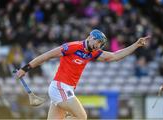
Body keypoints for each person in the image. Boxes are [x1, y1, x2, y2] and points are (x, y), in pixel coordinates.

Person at [16, 29, 150, 119]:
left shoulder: (92, 52)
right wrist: (25, 68)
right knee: (82, 117)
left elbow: (115, 56)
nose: (98, 46)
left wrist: (136, 45)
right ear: (90, 37)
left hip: (66, 90)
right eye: (97, 42)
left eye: (101, 44)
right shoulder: (73, 46)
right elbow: (47, 55)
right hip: (60, 87)